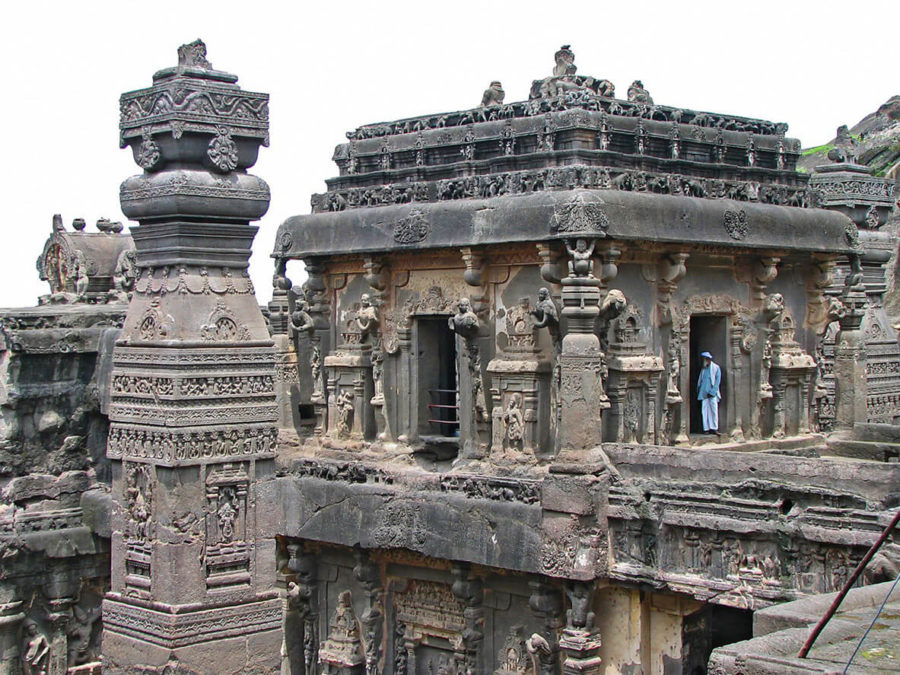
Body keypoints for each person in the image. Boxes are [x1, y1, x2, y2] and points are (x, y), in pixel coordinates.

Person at [697, 351, 721, 434]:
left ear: (708, 359)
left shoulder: (716, 368)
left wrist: (713, 391)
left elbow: (717, 381)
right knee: (705, 411)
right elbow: (700, 382)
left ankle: (714, 428)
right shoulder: (703, 369)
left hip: (712, 393)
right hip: (704, 393)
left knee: (714, 410)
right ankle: (706, 428)